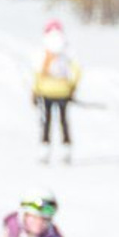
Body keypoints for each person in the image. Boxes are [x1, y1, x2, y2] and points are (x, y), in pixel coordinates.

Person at [32, 20, 81, 165]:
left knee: (46, 121)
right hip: (63, 90)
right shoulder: (66, 50)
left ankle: (44, 150)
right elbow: (77, 71)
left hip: (46, 91)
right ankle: (66, 149)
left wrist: (35, 91)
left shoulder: (44, 51)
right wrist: (72, 86)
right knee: (63, 120)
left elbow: (37, 72)